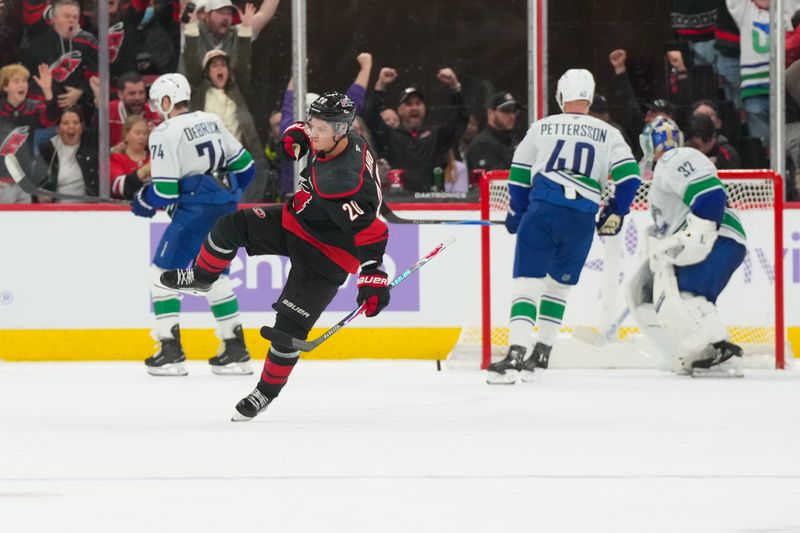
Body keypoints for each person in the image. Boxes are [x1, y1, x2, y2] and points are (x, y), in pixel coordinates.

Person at [158, 92, 390, 421]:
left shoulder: (342, 182)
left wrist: (372, 276)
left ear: (339, 130)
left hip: (328, 255)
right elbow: (306, 130)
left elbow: (371, 231)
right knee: (229, 227)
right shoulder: (342, 138)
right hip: (295, 221)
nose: (313, 132)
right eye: (313, 125)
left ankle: (264, 392)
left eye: (319, 129)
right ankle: (203, 277)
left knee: (288, 331)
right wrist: (297, 133)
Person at [486, 69, 641, 385]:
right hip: (581, 219)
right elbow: (630, 178)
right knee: (558, 288)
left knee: (528, 286)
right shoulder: (608, 131)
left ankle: (516, 354)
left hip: (544, 211)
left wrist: (519, 211)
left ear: (560, 95)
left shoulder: (542, 127)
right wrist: (617, 211)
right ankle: (541, 354)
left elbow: (518, 175)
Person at [131, 72, 254, 376]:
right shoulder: (210, 120)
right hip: (225, 208)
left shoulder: (164, 132)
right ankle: (236, 349)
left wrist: (144, 201)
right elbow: (247, 168)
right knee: (212, 274)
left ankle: (170, 350)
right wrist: (219, 193)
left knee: (161, 274)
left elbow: (164, 192)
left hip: (197, 213)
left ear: (167, 101)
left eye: (158, 101)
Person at [627, 116, 746, 376]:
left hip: (718, 236)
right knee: (675, 295)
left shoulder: (673, 159)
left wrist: (700, 235)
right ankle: (707, 351)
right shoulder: (663, 174)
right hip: (722, 238)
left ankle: (718, 351)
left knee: (686, 295)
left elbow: (709, 195)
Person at [364, 66, 468, 192]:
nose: (414, 108)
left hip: (432, 204)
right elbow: (370, 117)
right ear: (400, 110)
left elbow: (461, 119)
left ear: (424, 108)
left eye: (418, 103)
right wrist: (380, 85)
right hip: (398, 205)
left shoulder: (437, 136)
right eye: (408, 104)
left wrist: (455, 87)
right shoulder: (390, 137)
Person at [188, 49, 273, 202]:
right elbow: (191, 65)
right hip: (207, 161)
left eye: (223, 65)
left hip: (234, 158)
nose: (220, 69)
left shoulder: (238, 93)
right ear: (207, 72)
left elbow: (243, 64)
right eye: (214, 65)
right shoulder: (198, 94)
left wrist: (245, 30)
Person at [0, 63, 57, 203]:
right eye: (16, 81)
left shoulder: (34, 107)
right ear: (5, 87)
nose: (22, 85)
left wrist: (48, 91)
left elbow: (51, 120)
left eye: (25, 81)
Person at [37, 107, 99, 202]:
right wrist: (40, 194)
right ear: (58, 129)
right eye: (66, 123)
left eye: (76, 123)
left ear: (81, 128)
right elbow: (37, 182)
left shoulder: (91, 144)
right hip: (57, 210)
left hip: (88, 209)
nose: (71, 126)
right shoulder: (47, 149)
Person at [467, 91, 520, 173]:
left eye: (514, 111)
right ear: (490, 113)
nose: (512, 116)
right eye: (506, 110)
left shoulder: (513, 141)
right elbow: (491, 179)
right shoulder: (481, 144)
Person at [109, 71, 162, 147]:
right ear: (120, 94)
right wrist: (113, 151)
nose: (138, 98)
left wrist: (156, 135)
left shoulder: (155, 115)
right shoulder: (107, 112)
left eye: (141, 93)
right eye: (132, 93)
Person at [110, 114, 150, 199]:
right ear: (126, 135)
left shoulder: (153, 158)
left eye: (145, 133)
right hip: (124, 209)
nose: (142, 137)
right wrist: (146, 169)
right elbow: (118, 188)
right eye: (137, 133)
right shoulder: (117, 159)